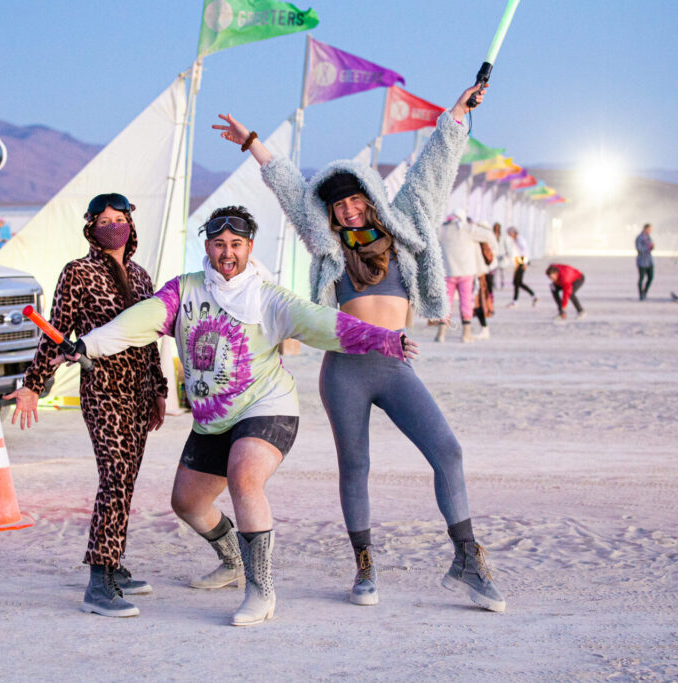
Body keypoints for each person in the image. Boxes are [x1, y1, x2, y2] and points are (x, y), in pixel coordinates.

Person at [212, 81, 506, 613]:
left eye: (354, 199)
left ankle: (465, 556)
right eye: (339, 204)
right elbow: (289, 189)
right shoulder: (325, 240)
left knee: (448, 451)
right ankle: (364, 567)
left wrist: (458, 114)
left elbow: (433, 167)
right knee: (355, 465)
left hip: (394, 367)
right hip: (344, 371)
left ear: (370, 197)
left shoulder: (407, 221)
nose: (347, 210)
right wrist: (252, 141)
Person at [66, 206, 417, 627]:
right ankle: (234, 558)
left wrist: (385, 339)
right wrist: (90, 344)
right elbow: (139, 321)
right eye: (218, 245)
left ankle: (260, 589)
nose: (227, 254)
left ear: (250, 247)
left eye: (236, 245)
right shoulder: (184, 290)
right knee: (188, 503)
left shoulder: (269, 297)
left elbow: (325, 323)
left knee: (244, 475)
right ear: (207, 247)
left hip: (267, 406)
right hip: (214, 417)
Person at [6, 193, 168, 619]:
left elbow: (150, 338)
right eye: (105, 220)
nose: (113, 226)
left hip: (138, 394)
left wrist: (159, 389)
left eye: (120, 219)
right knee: (115, 479)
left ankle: (114, 563)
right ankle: (99, 581)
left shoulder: (142, 277)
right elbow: (55, 332)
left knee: (126, 482)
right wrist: (32, 386)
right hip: (103, 391)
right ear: (91, 227)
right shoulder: (77, 273)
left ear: (131, 226)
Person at [434, 209, 496, 342]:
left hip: (448, 272)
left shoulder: (441, 230)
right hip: (467, 272)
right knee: (466, 302)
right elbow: (488, 235)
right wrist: (494, 249)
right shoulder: (469, 229)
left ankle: (441, 334)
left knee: (446, 302)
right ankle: (466, 334)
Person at [506, 226, 537, 307]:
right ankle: (533, 295)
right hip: (519, 261)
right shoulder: (516, 240)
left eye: (510, 234)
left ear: (513, 233)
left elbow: (525, 251)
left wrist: (525, 263)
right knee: (517, 282)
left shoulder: (520, 240)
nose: (509, 236)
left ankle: (516, 300)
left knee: (517, 282)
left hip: (522, 261)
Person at [636, 223, 655, 300]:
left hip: (649, 260)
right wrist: (648, 248)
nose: (650, 231)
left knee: (651, 277)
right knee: (641, 278)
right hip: (642, 261)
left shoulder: (649, 237)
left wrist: (652, 247)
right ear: (645, 229)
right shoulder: (639, 238)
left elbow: (650, 247)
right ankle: (641, 294)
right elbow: (639, 249)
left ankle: (645, 292)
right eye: (649, 229)